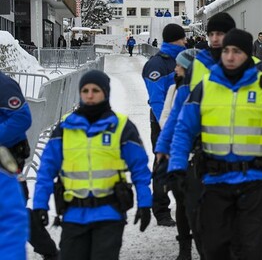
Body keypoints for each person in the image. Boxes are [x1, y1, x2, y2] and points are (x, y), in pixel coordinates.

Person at [168, 29, 262, 260]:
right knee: (214, 250)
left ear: (248, 55)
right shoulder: (205, 87)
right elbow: (183, 130)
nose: (230, 57)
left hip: (255, 183)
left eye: (237, 51)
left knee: (251, 250)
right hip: (214, 183)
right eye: (226, 51)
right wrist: (176, 168)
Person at [32, 70, 152, 259]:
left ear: (105, 92)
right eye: (85, 90)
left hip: (109, 214)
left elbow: (140, 169)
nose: (89, 95)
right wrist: (40, 205)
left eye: (95, 90)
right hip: (73, 214)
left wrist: (145, 203)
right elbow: (46, 170)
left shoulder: (121, 127)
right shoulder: (64, 128)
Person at [155, 12, 237, 253]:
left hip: (238, 151)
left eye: (220, 33)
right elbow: (180, 108)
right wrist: (163, 146)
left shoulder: (245, 64)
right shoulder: (198, 64)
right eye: (211, 33)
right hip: (202, 150)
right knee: (198, 210)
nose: (214, 38)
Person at [155, 49, 199, 260]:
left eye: (179, 66)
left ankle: (204, 246)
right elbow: (168, 116)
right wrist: (169, 140)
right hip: (178, 152)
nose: (175, 69)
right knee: (181, 202)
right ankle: (184, 249)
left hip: (198, 155)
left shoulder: (202, 91)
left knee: (197, 205)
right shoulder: (175, 89)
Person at [142, 23, 187, 226]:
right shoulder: (157, 64)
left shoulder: (186, 60)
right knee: (162, 166)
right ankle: (161, 210)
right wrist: (166, 126)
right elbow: (157, 100)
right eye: (183, 38)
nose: (186, 41)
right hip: (164, 125)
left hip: (186, 123)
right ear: (175, 39)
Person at [0, 71, 43, 259]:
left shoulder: (4, 85)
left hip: (7, 157)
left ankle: (48, 249)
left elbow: (22, 118)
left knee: (14, 207)